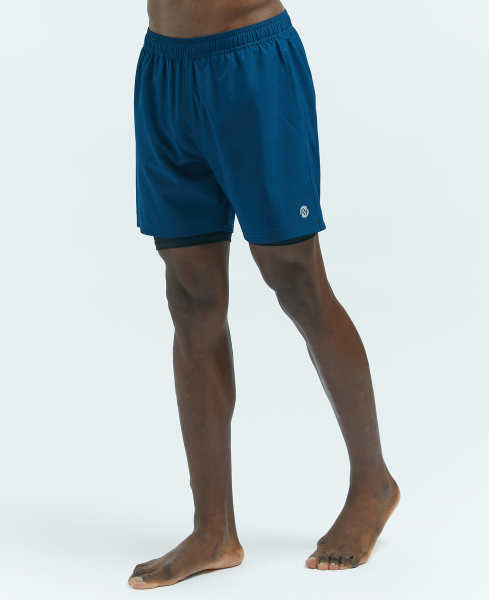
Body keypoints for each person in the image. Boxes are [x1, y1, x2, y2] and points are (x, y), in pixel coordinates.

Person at [129, 0, 400, 590]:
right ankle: (213, 531)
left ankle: (373, 484)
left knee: (296, 281)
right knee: (192, 298)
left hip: (250, 64)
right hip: (164, 68)